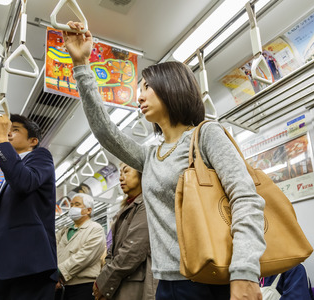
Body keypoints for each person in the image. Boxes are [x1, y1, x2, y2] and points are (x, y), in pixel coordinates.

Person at [63, 22, 266, 300]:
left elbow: (245, 198)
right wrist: (82, 65)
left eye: (148, 87)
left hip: (210, 278)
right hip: (165, 281)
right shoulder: (150, 155)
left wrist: (245, 270)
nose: (140, 95)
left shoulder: (206, 135)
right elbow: (105, 132)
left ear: (171, 89)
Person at [0, 114, 57, 300]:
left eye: (15, 130)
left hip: (28, 266)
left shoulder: (40, 156)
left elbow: (25, 182)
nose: (9, 133)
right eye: (8, 129)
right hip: (8, 266)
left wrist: (0, 140)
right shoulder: (11, 175)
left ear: (33, 141)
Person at [93, 163, 157, 300]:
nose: (121, 178)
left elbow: (132, 250)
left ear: (142, 173)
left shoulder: (146, 205)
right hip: (122, 281)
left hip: (137, 284)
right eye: (120, 174)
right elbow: (111, 252)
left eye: (126, 172)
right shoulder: (125, 209)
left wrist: (103, 283)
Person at [55, 193, 106, 300]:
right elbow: (52, 250)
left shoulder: (95, 229)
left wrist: (59, 272)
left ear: (88, 210)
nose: (72, 208)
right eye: (71, 205)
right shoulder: (64, 231)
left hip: (83, 286)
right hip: (61, 285)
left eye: (77, 204)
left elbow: (85, 256)